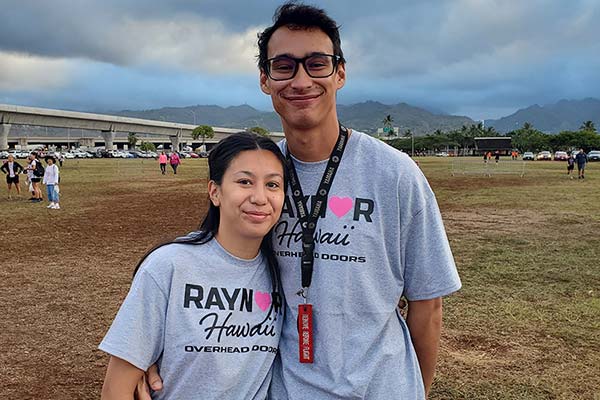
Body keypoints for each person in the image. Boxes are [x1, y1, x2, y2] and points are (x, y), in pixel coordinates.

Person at [141, 3, 460, 399]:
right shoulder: (261, 177)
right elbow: (214, 265)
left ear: (340, 73)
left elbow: (427, 307)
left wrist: (416, 391)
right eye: (284, 65)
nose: (301, 79)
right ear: (265, 79)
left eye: (317, 63)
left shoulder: (396, 174)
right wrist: (150, 349)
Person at [99, 132, 286, 400]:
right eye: (245, 182)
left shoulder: (284, 272)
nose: (259, 197)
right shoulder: (170, 265)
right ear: (215, 192)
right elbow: (115, 390)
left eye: (272, 185)